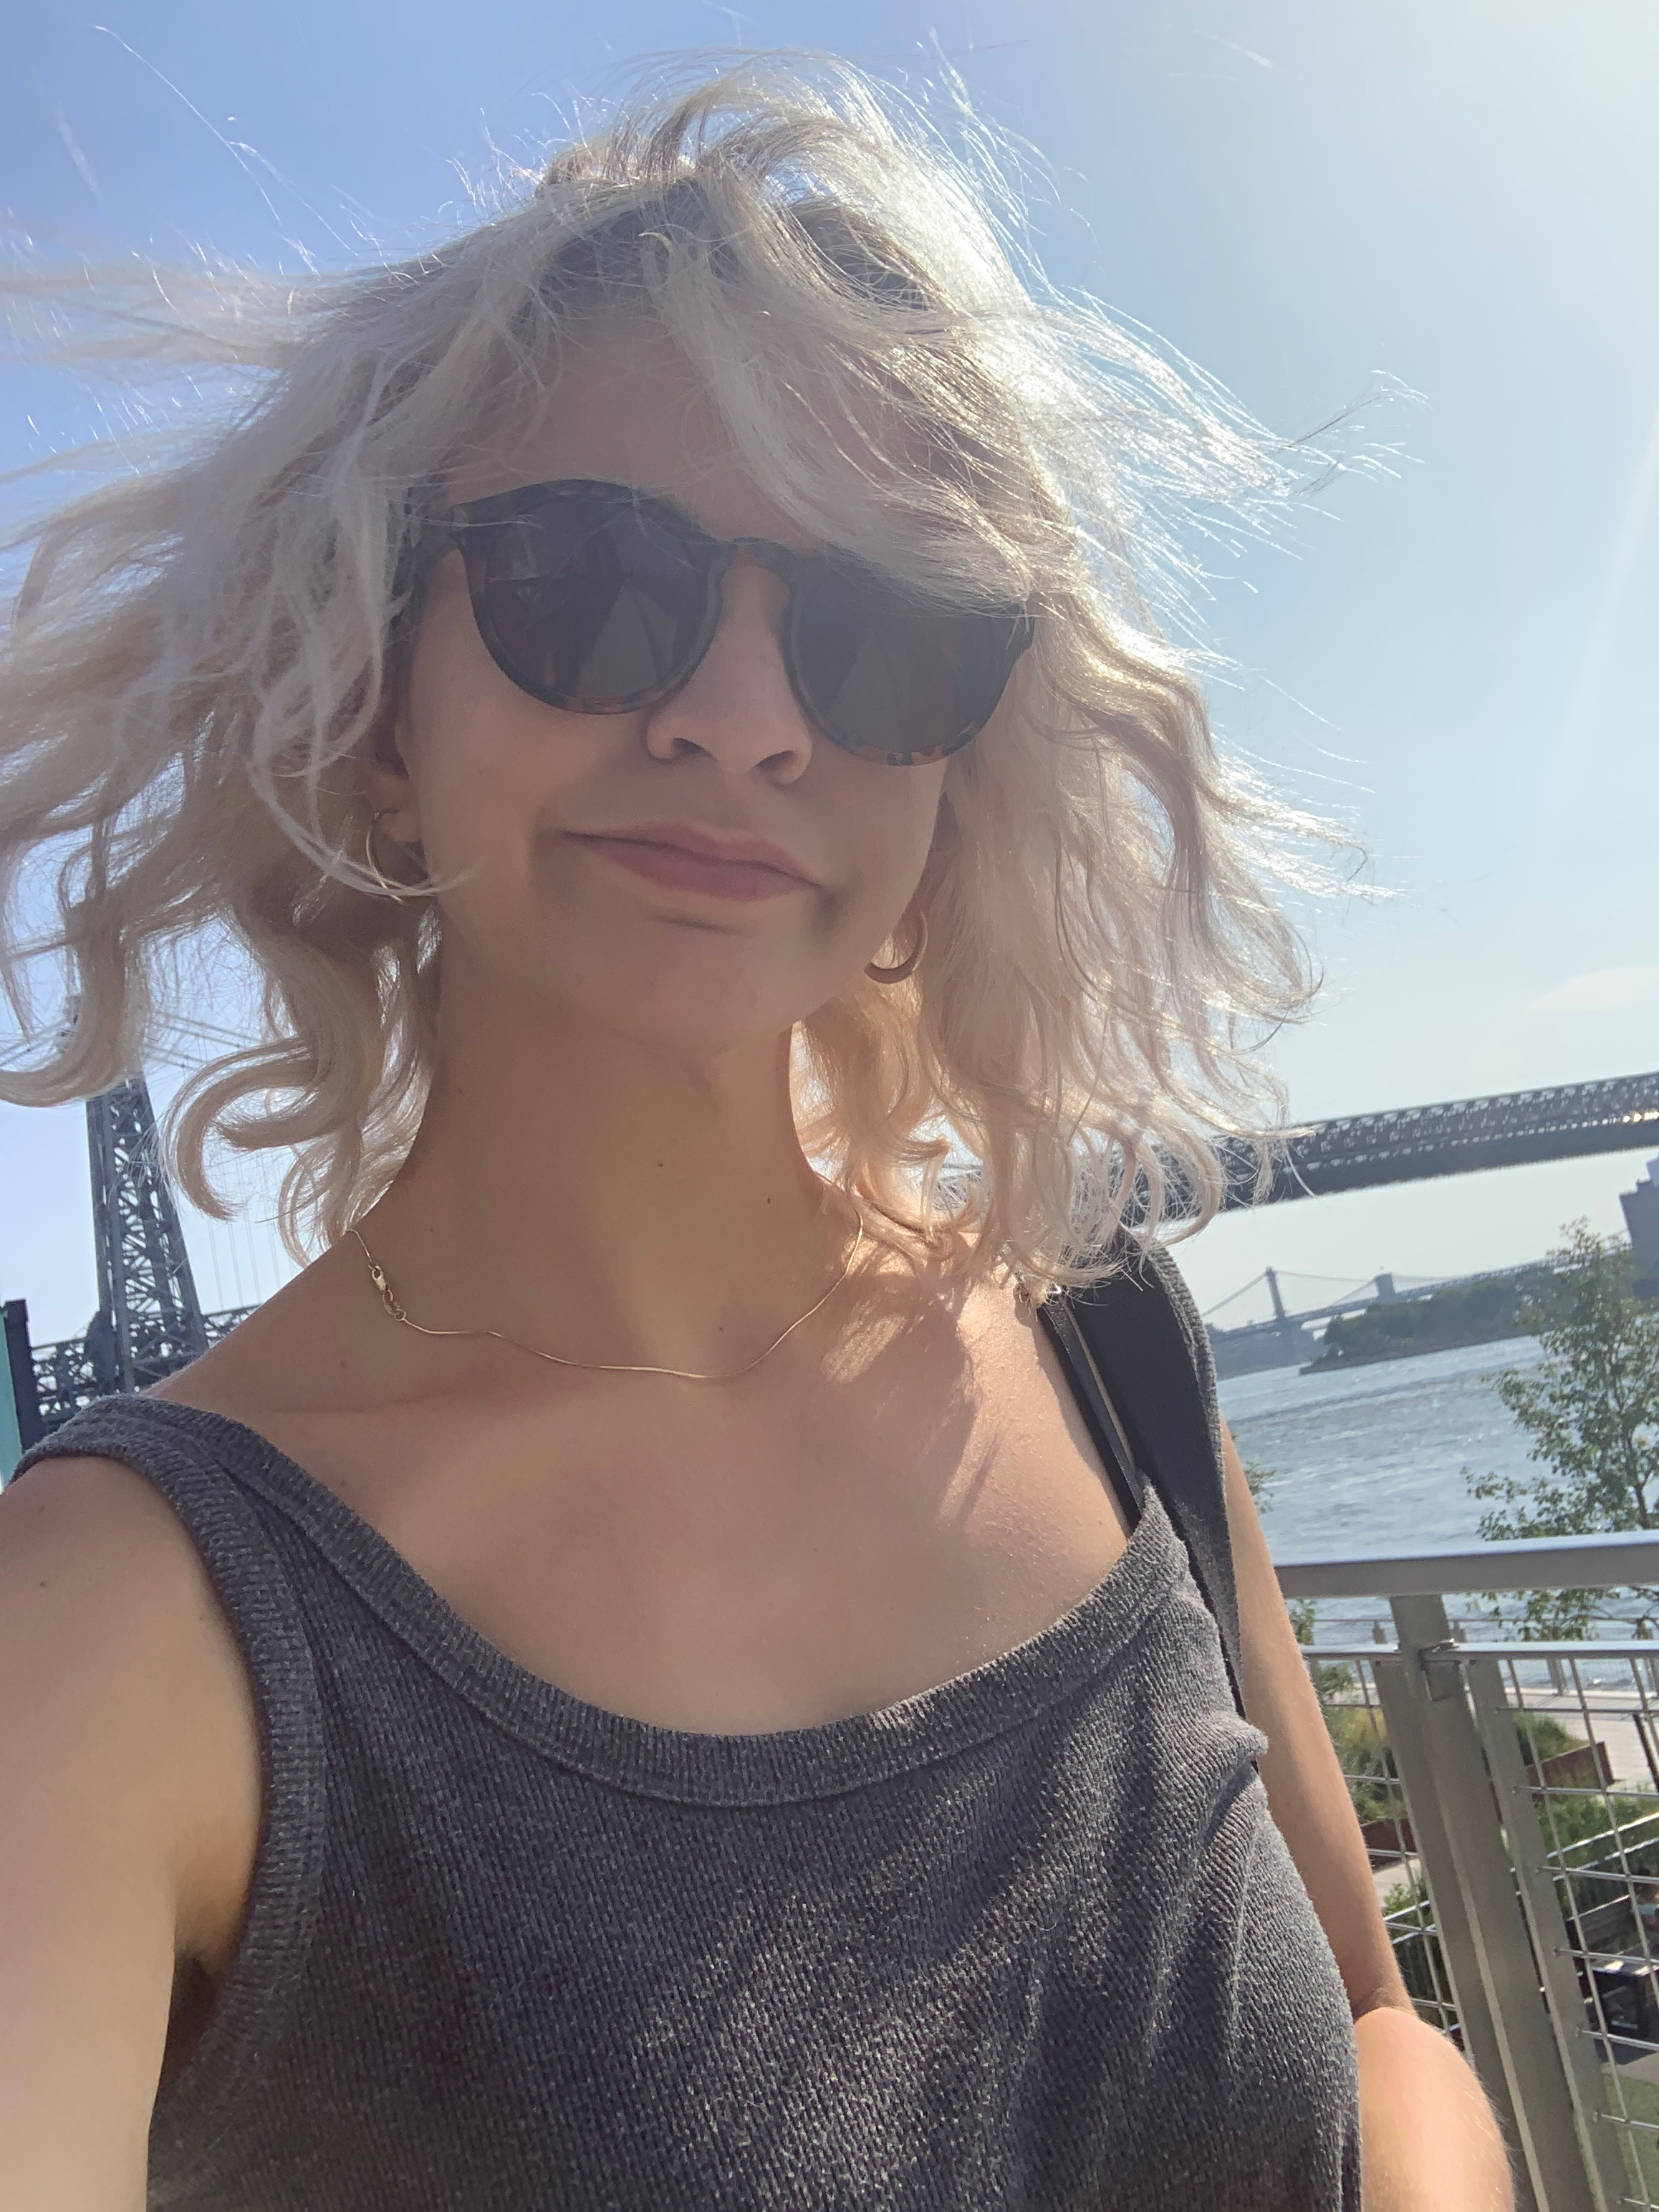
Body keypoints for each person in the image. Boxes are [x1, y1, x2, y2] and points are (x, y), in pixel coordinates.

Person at [0, 55, 1509, 2212]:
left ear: (955, 778)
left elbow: (1373, 2027)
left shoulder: (1102, 1341)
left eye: (881, 631)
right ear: (375, 714)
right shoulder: (119, 1625)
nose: (742, 718)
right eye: (589, 580)